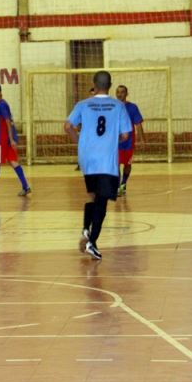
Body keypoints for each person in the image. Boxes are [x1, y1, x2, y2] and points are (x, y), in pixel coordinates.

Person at [64, 71, 131, 260]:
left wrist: (80, 141)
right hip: (106, 161)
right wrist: (111, 139)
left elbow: (68, 126)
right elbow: (126, 135)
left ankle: (86, 229)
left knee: (94, 196)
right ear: (110, 85)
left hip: (86, 159)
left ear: (94, 84)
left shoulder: (83, 105)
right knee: (102, 202)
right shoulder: (118, 106)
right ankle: (92, 242)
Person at [115, 85, 145, 195]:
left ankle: (123, 183)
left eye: (122, 92)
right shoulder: (112, 107)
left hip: (128, 142)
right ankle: (118, 186)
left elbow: (138, 124)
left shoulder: (132, 107)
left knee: (127, 164)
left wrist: (141, 139)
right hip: (115, 142)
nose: (120, 94)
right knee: (115, 164)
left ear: (126, 94)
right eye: (118, 92)